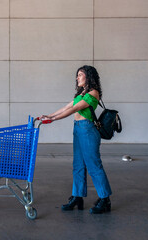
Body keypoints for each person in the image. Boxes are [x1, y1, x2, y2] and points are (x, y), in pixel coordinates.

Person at [39, 65, 112, 214]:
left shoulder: (93, 93)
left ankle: (105, 200)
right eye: (77, 75)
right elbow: (67, 106)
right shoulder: (82, 92)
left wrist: (53, 120)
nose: (77, 77)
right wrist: (50, 115)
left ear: (88, 76)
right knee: (78, 165)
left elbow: (74, 109)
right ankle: (77, 196)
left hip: (88, 130)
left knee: (93, 165)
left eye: (80, 75)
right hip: (78, 129)